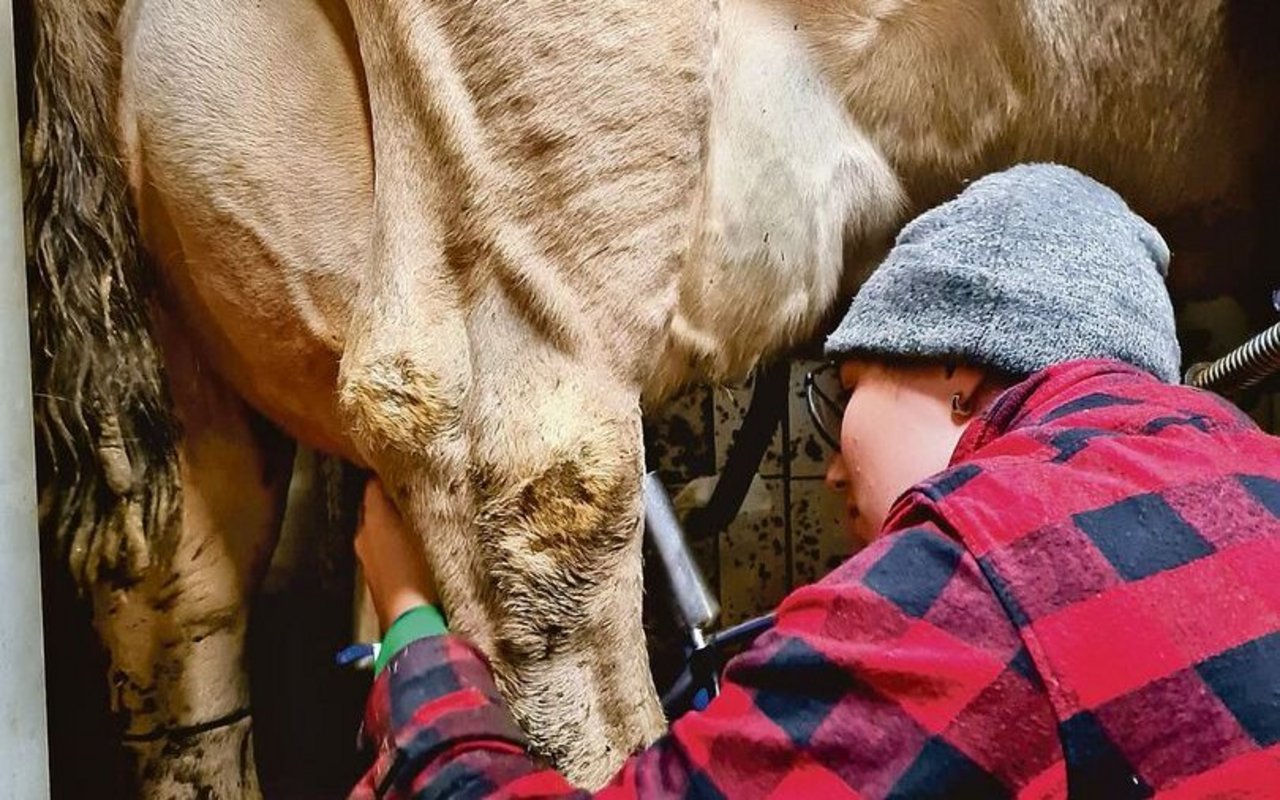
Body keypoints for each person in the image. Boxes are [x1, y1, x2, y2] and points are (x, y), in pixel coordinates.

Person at [351, 164, 1280, 798]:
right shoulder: (1256, 471)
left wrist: (409, 618)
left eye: (848, 396)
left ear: (960, 371)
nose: (832, 465)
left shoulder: (975, 572)